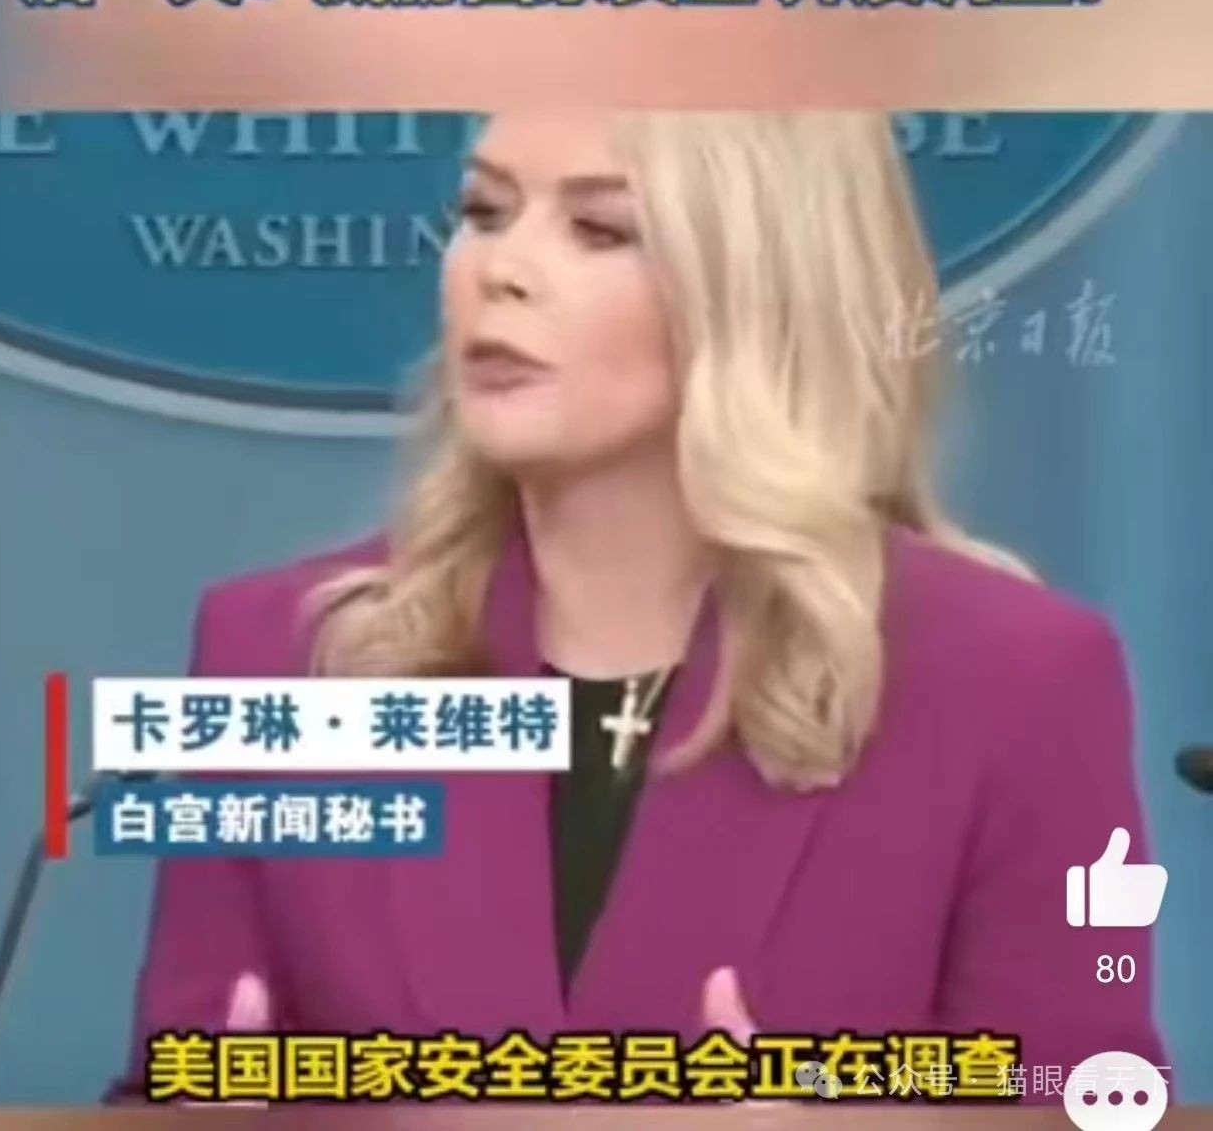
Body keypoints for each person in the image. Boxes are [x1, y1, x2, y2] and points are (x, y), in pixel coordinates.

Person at [111, 111, 1169, 1105]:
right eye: (484, 212)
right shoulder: (284, 655)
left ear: (764, 286)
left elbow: (1091, 1100)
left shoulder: (1013, 681)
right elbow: (171, 1086)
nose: (500, 270)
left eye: (600, 230)